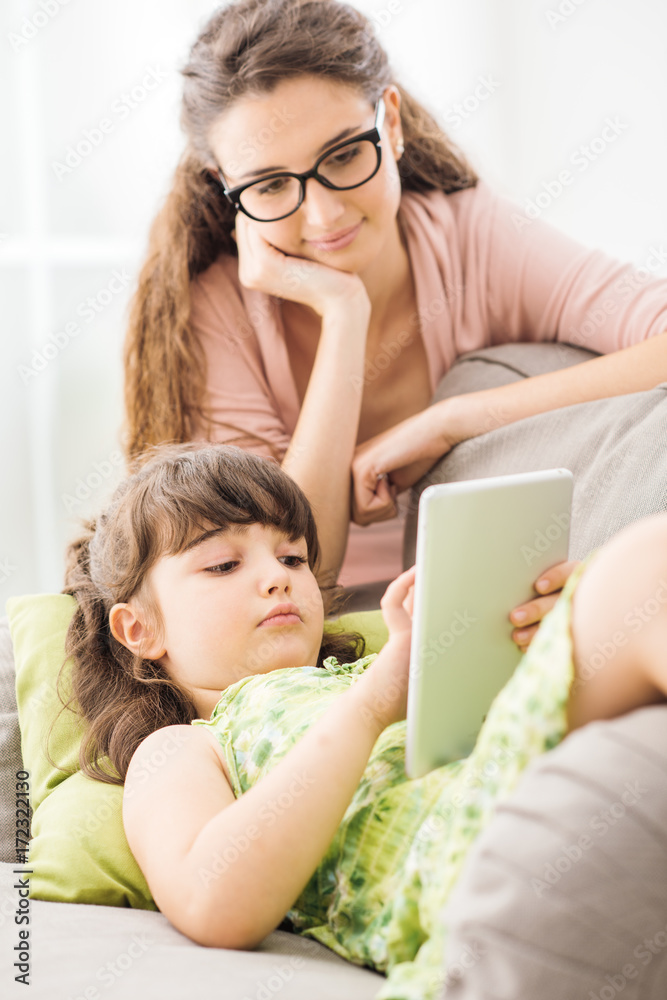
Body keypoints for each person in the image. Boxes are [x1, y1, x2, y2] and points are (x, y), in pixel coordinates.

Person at [62, 442, 667, 1000]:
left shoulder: (375, 668)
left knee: (629, 577)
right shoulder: (183, 747)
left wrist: (549, 633)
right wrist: (374, 704)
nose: (277, 578)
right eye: (223, 565)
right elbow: (210, 900)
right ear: (140, 629)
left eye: (293, 557)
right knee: (643, 564)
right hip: (461, 858)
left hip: (537, 779)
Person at [122, 0, 667, 593]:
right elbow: (300, 571)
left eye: (344, 154)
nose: (324, 214)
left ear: (393, 124)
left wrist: (453, 421)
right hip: (317, 624)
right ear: (225, 186)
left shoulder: (469, 236)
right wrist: (343, 314)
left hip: (493, 596)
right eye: (271, 185)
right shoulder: (217, 311)